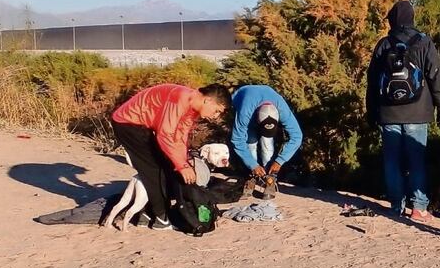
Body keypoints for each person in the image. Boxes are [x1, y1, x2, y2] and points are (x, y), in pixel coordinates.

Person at [366, 0, 440, 221]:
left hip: (388, 112)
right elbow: (436, 78)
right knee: (416, 160)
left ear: (393, 19)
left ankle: (396, 205)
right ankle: (419, 208)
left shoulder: (384, 44)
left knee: (392, 160)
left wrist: (371, 110)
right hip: (418, 111)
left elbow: (372, 81)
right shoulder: (424, 43)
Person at [111, 83, 231, 230]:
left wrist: (184, 164)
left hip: (141, 126)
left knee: (166, 165)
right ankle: (160, 217)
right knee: (154, 169)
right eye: (217, 111)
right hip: (127, 123)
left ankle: (147, 214)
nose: (215, 116)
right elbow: (165, 135)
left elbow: (180, 137)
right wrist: (182, 166)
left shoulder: (192, 108)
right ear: (208, 101)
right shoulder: (180, 97)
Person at [230, 84, 303, 199]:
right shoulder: (245, 111)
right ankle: (251, 175)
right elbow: (237, 139)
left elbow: (297, 136)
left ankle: (270, 179)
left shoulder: (282, 109)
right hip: (244, 102)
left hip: (263, 102)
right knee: (250, 141)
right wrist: (252, 164)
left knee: (267, 142)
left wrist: (280, 160)